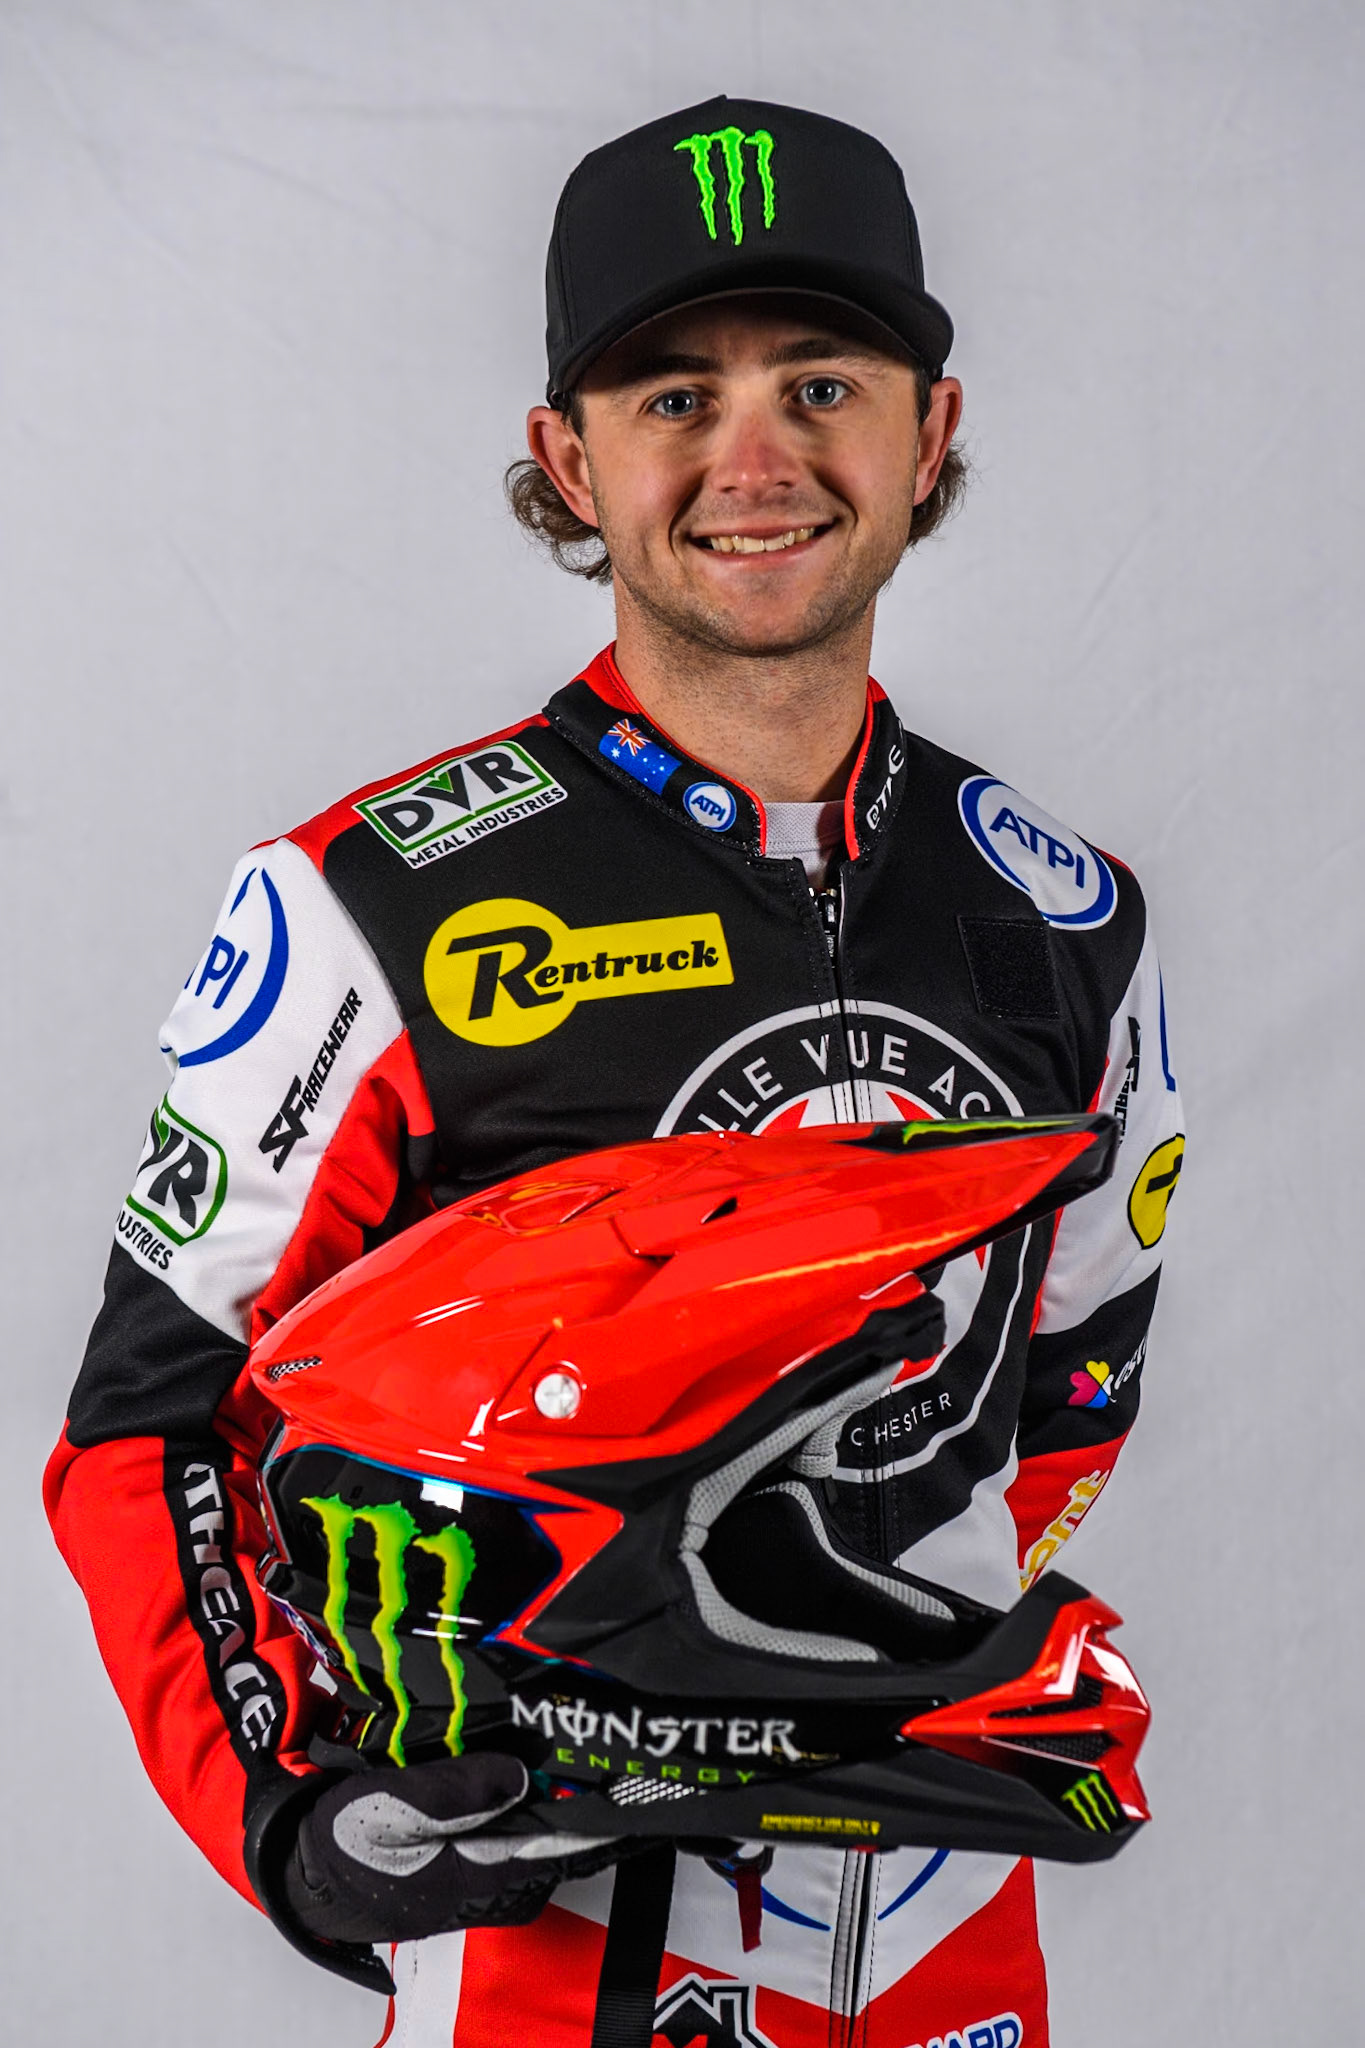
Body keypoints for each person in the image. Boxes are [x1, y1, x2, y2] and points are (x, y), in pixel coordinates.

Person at [45, 94, 1184, 2048]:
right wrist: (297, 1820)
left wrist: (843, 1651)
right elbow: (149, 1428)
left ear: (929, 432)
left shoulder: (1070, 917)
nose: (755, 458)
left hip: (948, 1945)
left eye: (822, 382)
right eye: (674, 395)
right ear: (566, 456)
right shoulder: (365, 904)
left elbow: (1070, 1384)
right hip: (543, 1947)